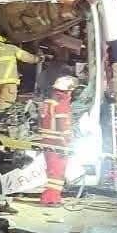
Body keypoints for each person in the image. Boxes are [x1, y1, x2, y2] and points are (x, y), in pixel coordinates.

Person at [39, 75, 76, 206]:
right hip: (58, 143)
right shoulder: (61, 105)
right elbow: (62, 126)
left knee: (52, 171)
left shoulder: (47, 103)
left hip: (47, 141)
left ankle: (51, 197)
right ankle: (51, 198)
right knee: (57, 174)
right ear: (67, 91)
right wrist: (67, 142)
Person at [0, 34, 37, 110]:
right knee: (5, 109)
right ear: (2, 41)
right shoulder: (11, 48)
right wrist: (38, 59)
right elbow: (27, 57)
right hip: (8, 83)